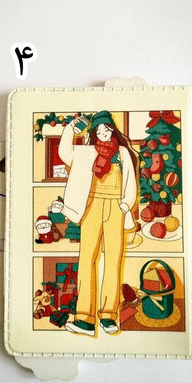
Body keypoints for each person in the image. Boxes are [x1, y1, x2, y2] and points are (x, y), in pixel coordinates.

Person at [58, 111, 137, 336]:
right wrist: (70, 128)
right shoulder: (86, 152)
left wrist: (125, 205)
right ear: (94, 132)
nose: (103, 133)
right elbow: (65, 153)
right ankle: (84, 319)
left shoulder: (122, 153)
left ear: (113, 130)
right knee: (86, 260)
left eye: (107, 129)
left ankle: (109, 316)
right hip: (91, 206)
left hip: (115, 208)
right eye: (99, 130)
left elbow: (130, 180)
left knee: (113, 260)